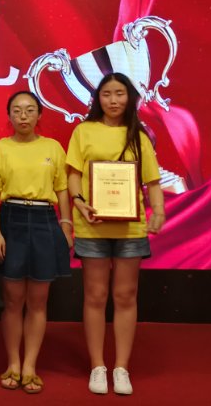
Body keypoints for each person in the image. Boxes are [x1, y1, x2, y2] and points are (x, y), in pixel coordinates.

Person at [65, 72, 166, 396]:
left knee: (125, 296)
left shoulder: (139, 136)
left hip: (130, 229)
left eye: (119, 93)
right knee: (95, 296)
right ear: (98, 98)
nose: (113, 100)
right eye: (107, 94)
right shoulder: (84, 131)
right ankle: (98, 366)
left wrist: (158, 211)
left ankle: (121, 367)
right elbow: (73, 174)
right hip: (92, 226)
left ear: (130, 97)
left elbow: (152, 182)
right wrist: (79, 202)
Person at [0, 90, 73, 394]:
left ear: (39, 115)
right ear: (9, 115)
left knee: (38, 300)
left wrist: (66, 224)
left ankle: (30, 366)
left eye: (30, 110)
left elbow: (62, 188)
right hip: (10, 219)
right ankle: (13, 362)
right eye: (17, 110)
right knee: (12, 300)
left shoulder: (53, 147)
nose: (23, 116)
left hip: (44, 220)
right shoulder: (0, 148)